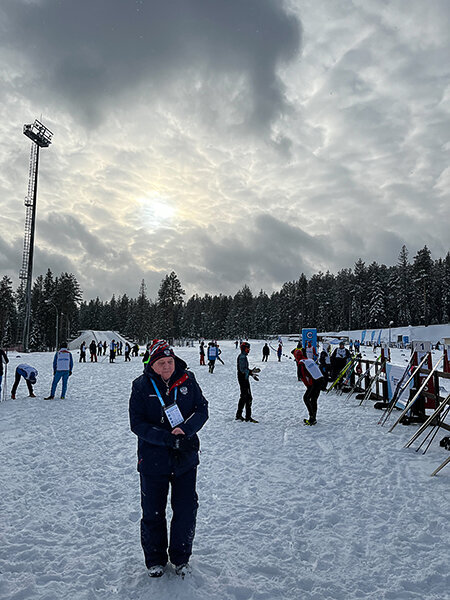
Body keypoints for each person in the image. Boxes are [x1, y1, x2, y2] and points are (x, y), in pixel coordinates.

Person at [129, 339, 208, 578]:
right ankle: (155, 559)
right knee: (153, 511)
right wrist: (165, 438)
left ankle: (181, 557)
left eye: (170, 362)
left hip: (185, 457)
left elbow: (202, 409)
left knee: (185, 509)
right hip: (153, 460)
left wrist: (185, 430)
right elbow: (137, 424)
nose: (166, 367)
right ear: (152, 365)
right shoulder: (141, 386)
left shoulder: (188, 380)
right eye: (161, 363)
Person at [297, 351, 325, 425]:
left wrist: (308, 386)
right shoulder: (309, 360)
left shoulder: (301, 363)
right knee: (313, 399)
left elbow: (302, 376)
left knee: (306, 398)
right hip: (321, 379)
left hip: (314, 382)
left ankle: (312, 418)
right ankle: (313, 418)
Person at [235, 342, 259, 423]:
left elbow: (245, 369)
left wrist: (251, 373)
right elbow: (242, 370)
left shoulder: (243, 356)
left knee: (245, 397)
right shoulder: (242, 357)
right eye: (247, 348)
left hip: (244, 378)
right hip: (243, 379)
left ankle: (240, 415)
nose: (249, 350)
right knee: (247, 397)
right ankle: (245, 416)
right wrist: (251, 372)